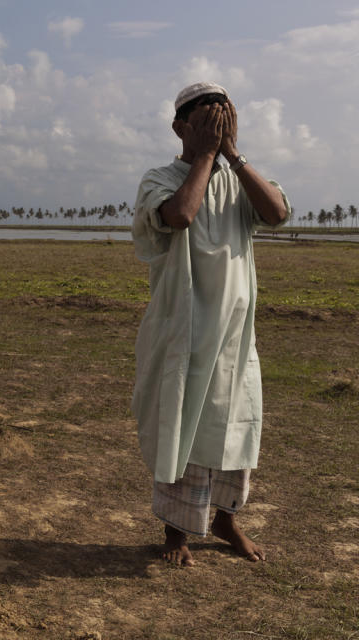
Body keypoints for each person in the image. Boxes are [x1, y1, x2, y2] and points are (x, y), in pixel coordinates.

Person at [131, 82, 291, 567]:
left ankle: (225, 519)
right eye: (205, 117)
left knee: (234, 426)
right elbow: (179, 215)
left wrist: (232, 155)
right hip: (183, 332)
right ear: (180, 126)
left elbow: (277, 213)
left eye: (223, 117)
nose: (215, 126)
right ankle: (176, 530)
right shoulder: (160, 178)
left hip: (235, 335)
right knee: (184, 426)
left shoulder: (237, 179)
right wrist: (204, 156)